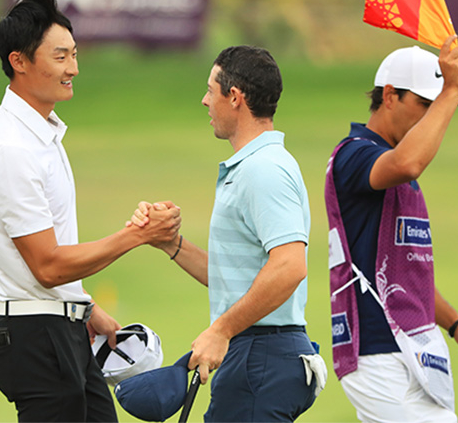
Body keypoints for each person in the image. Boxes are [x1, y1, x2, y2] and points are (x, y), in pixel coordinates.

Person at [0, 0, 180, 422]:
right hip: (35, 337)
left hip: (63, 327)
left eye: (74, 54)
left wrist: (86, 307)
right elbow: (48, 266)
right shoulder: (11, 148)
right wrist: (137, 236)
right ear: (19, 62)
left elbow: (53, 261)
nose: (74, 68)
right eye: (60, 56)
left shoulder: (41, 135)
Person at [131, 45, 325, 422]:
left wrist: (221, 329)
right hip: (260, 355)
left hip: (261, 356)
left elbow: (289, 266)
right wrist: (171, 243)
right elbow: (238, 281)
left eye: (210, 90)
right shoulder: (256, 166)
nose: (205, 100)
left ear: (234, 97)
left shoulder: (263, 170)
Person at [324, 35, 458, 423]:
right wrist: (452, 89)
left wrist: (456, 325)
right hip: (376, 349)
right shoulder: (354, 154)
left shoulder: (399, 171)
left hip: (417, 347)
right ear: (389, 96)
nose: (432, 117)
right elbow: (409, 163)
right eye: (425, 104)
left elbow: (404, 275)